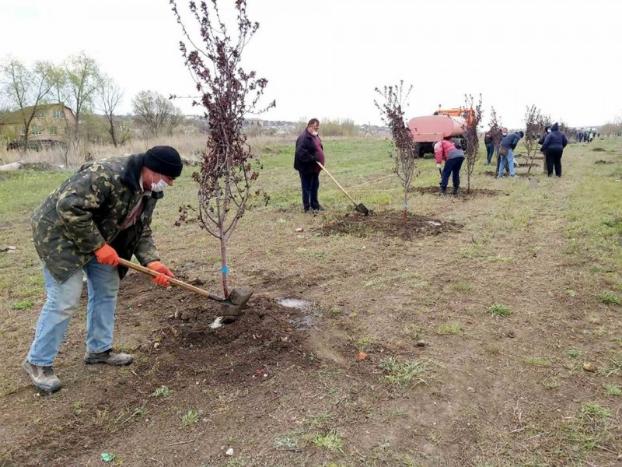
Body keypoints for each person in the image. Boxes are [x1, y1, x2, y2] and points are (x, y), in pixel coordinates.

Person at [23, 146, 183, 393]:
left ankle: (99, 350)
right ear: (152, 169)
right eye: (168, 178)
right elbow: (68, 206)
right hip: (59, 236)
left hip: (99, 236)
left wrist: (152, 262)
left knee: (107, 287)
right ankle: (38, 362)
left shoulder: (148, 191)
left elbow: (139, 228)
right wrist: (98, 246)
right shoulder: (106, 174)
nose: (168, 184)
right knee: (65, 298)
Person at [294, 118, 325, 212]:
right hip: (306, 168)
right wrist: (312, 158)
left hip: (315, 168)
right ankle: (307, 208)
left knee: (315, 186)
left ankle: (315, 205)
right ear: (310, 126)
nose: (317, 130)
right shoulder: (303, 138)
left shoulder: (314, 135)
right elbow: (300, 154)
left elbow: (318, 147)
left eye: (318, 128)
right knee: (306, 187)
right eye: (315, 127)